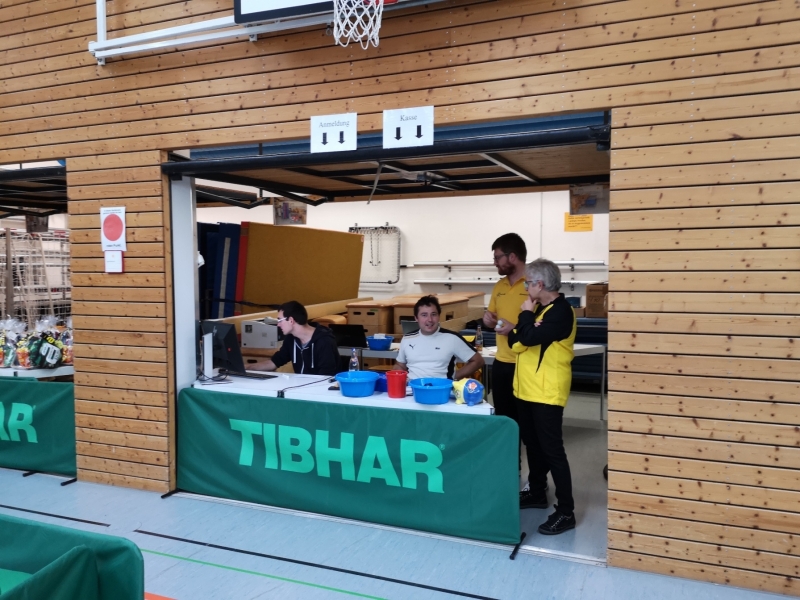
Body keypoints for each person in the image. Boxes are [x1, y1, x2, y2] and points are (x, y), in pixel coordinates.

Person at [508, 258, 577, 536]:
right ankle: (537, 492)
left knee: (552, 451)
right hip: (527, 390)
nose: (525, 287)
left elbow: (526, 338)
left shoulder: (560, 312)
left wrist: (525, 318)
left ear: (539, 284)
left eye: (527, 283)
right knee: (533, 445)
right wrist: (526, 327)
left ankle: (566, 511)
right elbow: (515, 341)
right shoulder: (540, 310)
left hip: (547, 393)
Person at [483, 233, 528, 476]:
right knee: (505, 422)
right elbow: (490, 319)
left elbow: (541, 326)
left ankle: (536, 481)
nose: (495, 263)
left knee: (528, 425)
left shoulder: (534, 284)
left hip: (526, 365)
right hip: (502, 364)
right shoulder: (499, 286)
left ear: (512, 257)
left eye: (497, 257)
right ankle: (510, 472)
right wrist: (488, 320)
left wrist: (515, 328)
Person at [395, 295, 484, 381]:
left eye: (433, 314)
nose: (430, 319)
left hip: (442, 389)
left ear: (439, 316)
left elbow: (478, 361)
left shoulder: (452, 338)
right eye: (424, 315)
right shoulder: (407, 338)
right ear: (416, 318)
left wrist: (453, 377)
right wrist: (397, 378)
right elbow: (400, 365)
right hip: (412, 388)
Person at [250, 300, 340, 376]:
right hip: (301, 388)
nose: (278, 324)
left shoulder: (324, 341)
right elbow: (274, 362)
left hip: (321, 389)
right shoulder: (291, 339)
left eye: (280, 320)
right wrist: (247, 367)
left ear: (291, 320)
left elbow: (326, 376)